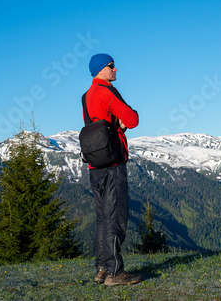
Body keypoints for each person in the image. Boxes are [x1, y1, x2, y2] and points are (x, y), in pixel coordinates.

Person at [83, 53, 141, 286]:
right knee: (115, 216)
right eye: (112, 66)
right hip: (113, 164)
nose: (116, 70)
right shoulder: (105, 91)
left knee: (102, 217)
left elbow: (100, 127)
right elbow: (133, 118)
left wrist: (116, 125)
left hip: (95, 164)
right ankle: (116, 273)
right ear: (101, 69)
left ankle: (102, 269)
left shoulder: (87, 95)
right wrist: (123, 122)